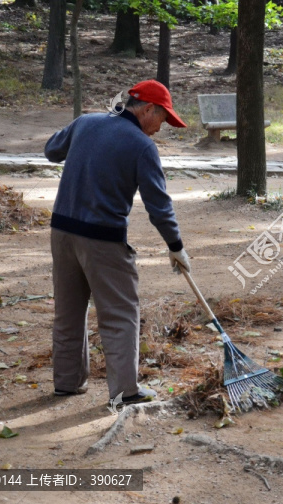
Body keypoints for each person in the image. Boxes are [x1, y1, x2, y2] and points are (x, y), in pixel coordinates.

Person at [44, 80, 192, 407]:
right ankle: (126, 392)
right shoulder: (142, 146)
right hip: (103, 239)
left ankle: (67, 383)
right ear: (148, 109)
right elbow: (159, 205)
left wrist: (86, 138)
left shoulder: (86, 122)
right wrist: (175, 245)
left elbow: (51, 150)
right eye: (163, 119)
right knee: (121, 313)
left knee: (68, 312)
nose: (161, 128)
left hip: (62, 231)